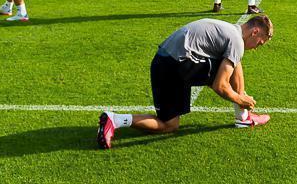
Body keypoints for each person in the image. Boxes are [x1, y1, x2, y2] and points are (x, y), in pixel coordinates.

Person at [97, 16, 273, 146]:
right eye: (260, 43)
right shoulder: (236, 41)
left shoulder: (228, 29)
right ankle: (243, 117)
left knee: (169, 125)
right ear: (254, 32)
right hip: (177, 64)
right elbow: (220, 86)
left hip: (161, 62)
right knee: (229, 65)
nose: (256, 48)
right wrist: (241, 99)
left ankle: (115, 119)